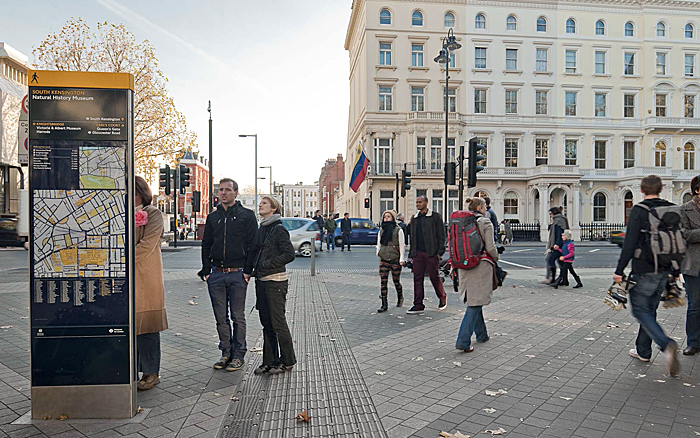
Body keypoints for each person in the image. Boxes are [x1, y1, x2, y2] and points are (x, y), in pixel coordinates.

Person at [614, 175, 680, 375]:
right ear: (661, 189)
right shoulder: (672, 209)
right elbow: (679, 241)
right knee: (649, 311)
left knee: (640, 311)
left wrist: (619, 270)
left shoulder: (639, 210)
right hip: (666, 269)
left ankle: (665, 344)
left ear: (641, 190)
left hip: (644, 268)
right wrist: (676, 271)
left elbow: (630, 243)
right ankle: (643, 351)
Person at [198, 178, 257, 372]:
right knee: (220, 317)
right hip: (216, 274)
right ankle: (225, 352)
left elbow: (252, 245)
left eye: (227, 190)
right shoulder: (213, 217)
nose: (223, 193)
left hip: (238, 274)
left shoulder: (246, 216)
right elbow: (206, 243)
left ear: (236, 193)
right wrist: (206, 270)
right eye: (220, 190)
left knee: (237, 316)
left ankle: (238, 355)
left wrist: (248, 271)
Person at [248, 197, 297, 375]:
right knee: (266, 323)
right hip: (261, 281)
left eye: (265, 203)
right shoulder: (262, 228)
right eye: (260, 203)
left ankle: (288, 360)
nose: (260, 205)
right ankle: (269, 361)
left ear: (274, 209)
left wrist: (267, 264)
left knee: (278, 322)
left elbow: (289, 254)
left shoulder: (279, 229)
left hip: (276, 281)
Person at [134, 176, 168, 390]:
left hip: (145, 276)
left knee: (147, 327)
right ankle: (133, 369)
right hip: (127, 278)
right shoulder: (120, 212)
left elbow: (147, 245)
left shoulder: (153, 213)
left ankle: (151, 372)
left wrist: (119, 258)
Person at [454, 197, 499, 353]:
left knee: (474, 299)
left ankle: (482, 335)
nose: (486, 209)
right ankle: (463, 341)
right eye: (485, 207)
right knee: (475, 303)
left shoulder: (463, 222)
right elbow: (490, 247)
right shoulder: (485, 222)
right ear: (480, 207)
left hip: (464, 263)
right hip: (480, 264)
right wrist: (497, 257)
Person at [406, 196, 447, 314]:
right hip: (418, 253)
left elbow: (441, 235)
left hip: (431, 253)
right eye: (416, 202)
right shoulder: (415, 218)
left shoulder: (435, 217)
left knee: (434, 276)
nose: (418, 204)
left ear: (426, 203)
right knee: (417, 278)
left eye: (420, 202)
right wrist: (411, 254)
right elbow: (412, 237)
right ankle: (418, 304)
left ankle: (442, 297)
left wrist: (439, 253)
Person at [680, 175, 700, 355]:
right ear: (697, 190)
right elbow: (684, 234)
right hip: (694, 265)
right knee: (694, 305)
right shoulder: (685, 210)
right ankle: (693, 342)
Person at [376, 210, 406, 312]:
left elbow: (402, 245)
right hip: (384, 258)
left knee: (396, 281)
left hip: (395, 259)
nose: (386, 219)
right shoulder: (382, 230)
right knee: (383, 282)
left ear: (393, 218)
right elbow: (378, 243)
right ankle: (384, 304)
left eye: (388, 217)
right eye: (385, 217)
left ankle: (400, 297)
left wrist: (401, 258)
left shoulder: (398, 230)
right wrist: (378, 251)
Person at [546, 207, 568, 285]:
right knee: (561, 263)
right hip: (556, 244)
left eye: (550, 214)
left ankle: (554, 279)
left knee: (550, 260)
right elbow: (550, 229)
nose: (550, 215)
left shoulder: (559, 220)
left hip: (558, 245)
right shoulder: (555, 220)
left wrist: (557, 244)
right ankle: (564, 280)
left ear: (554, 213)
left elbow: (560, 233)